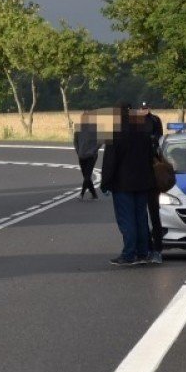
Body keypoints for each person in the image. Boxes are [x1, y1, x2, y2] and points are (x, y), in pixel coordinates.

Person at [100, 103, 158, 266]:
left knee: (127, 219)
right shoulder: (143, 131)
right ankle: (143, 252)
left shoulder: (116, 133)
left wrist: (105, 183)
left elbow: (110, 162)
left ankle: (128, 254)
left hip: (123, 183)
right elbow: (150, 156)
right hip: (143, 181)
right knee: (141, 218)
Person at [139, 101, 165, 263]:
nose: (144, 110)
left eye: (146, 107)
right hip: (145, 181)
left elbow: (160, 136)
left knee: (153, 215)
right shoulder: (137, 123)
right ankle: (149, 246)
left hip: (151, 181)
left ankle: (156, 247)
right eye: (142, 108)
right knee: (144, 216)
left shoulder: (155, 120)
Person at [73, 112, 100, 199]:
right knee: (86, 176)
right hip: (81, 155)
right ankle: (94, 194)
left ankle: (82, 194)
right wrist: (78, 151)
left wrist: (94, 150)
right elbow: (75, 141)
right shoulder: (78, 128)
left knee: (87, 175)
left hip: (91, 156)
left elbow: (100, 141)